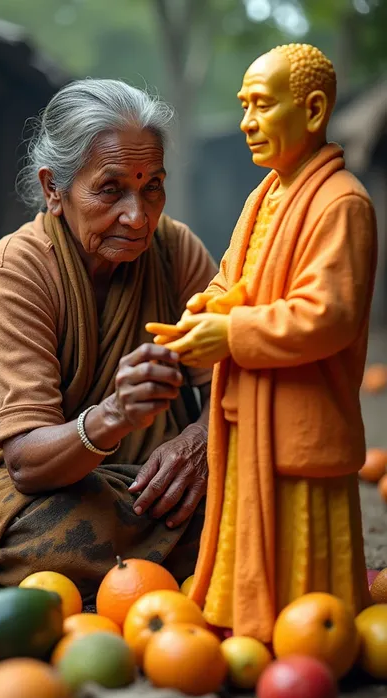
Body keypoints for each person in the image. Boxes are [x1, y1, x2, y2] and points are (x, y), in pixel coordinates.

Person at [0, 79, 217, 600]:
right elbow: (26, 464)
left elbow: (234, 379)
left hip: (147, 478)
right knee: (58, 532)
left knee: (272, 481)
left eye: (152, 187)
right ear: (55, 188)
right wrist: (115, 414)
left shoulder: (174, 252)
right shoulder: (15, 273)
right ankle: (194, 551)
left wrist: (200, 440)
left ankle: (132, 564)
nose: (138, 216)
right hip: (1, 483)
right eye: (110, 188)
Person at [148, 44, 377, 643]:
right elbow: (235, 279)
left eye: (262, 105)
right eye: (243, 105)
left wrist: (234, 334)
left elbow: (329, 315)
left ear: (314, 109)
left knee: (300, 537)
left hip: (300, 411)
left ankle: (306, 637)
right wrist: (206, 310)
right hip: (249, 405)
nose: (247, 121)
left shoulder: (342, 203)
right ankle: (240, 620)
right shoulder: (263, 197)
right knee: (244, 519)